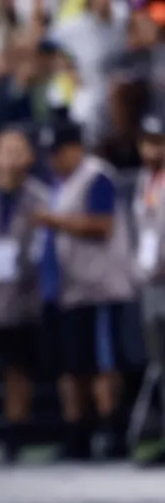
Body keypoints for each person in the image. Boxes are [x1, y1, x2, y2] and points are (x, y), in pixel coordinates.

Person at [34, 119, 135, 462]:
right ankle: (78, 435)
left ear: (76, 148)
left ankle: (111, 430)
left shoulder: (97, 176)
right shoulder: (59, 183)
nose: (54, 159)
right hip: (68, 289)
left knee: (103, 363)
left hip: (100, 287)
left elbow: (102, 224)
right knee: (72, 365)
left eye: (59, 152)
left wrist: (55, 221)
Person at [0, 128, 48, 464]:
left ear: (30, 156)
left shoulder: (40, 197)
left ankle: (15, 435)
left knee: (18, 368)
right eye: (7, 149)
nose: (13, 157)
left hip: (22, 298)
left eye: (20, 149)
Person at [133, 112, 165, 468]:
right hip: (152, 282)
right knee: (160, 364)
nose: (151, 151)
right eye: (147, 143)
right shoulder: (145, 180)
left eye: (158, 143)